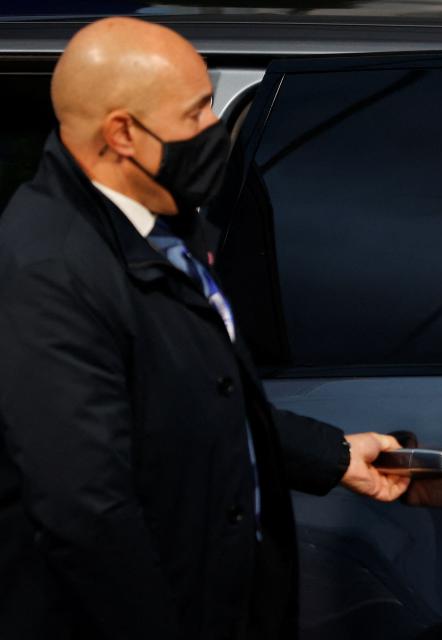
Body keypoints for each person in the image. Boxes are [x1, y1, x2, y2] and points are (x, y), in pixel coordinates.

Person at [0, 17, 408, 640]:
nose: (215, 130)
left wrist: (334, 456)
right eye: (196, 115)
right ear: (123, 134)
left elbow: (200, 397)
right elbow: (87, 511)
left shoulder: (158, 221)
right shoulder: (48, 268)